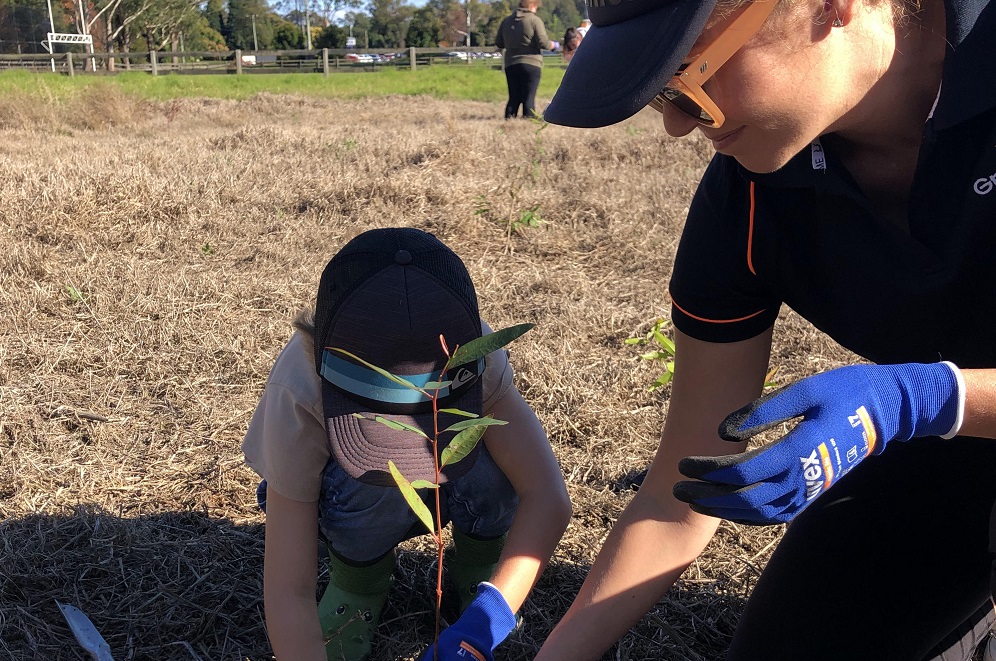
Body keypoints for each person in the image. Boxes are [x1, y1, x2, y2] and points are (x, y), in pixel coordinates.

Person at [538, 0, 996, 660]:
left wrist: (921, 399)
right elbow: (679, 491)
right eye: (662, 92)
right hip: (941, 451)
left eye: (692, 74)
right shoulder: (752, 198)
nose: (675, 123)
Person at [241, 227, 571, 661]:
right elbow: (288, 590)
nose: (418, 465)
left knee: (497, 452)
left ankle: (477, 564)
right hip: (355, 502)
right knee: (377, 482)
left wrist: (486, 618)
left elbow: (547, 496)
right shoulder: (301, 387)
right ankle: (359, 580)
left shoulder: (476, 356)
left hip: (462, 483)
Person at [494, 0, 557, 119]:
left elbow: (499, 43)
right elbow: (543, 43)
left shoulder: (506, 21)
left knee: (514, 97)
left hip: (511, 64)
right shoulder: (534, 20)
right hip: (531, 63)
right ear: (532, 6)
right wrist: (554, 45)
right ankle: (529, 120)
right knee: (529, 97)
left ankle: (509, 119)